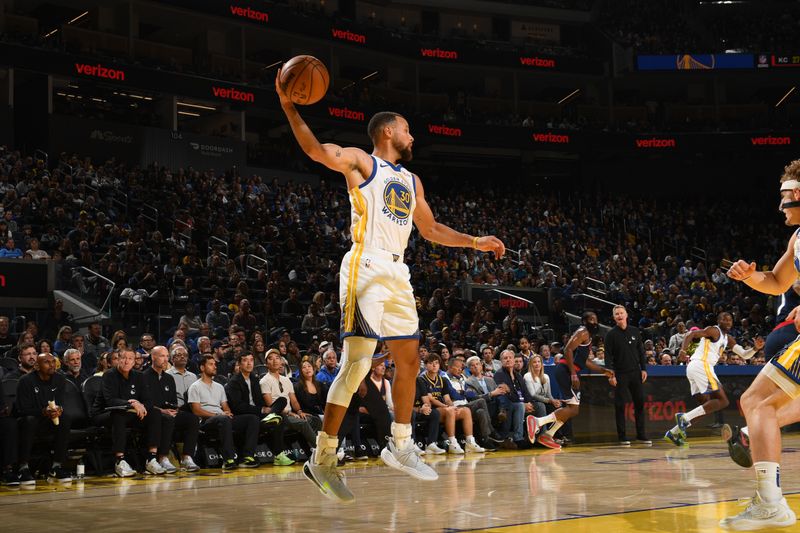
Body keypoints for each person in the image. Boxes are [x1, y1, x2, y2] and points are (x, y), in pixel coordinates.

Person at [276, 71, 505, 502]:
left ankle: (399, 445)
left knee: (411, 358)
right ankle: (322, 457)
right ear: (387, 131)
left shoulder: (412, 180)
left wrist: (475, 240)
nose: (412, 134)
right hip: (366, 264)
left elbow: (431, 228)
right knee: (358, 364)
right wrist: (289, 106)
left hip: (398, 272)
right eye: (406, 128)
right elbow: (315, 150)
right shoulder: (363, 161)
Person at [719, 165, 800, 529]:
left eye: (784, 197)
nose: (780, 205)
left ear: (798, 194)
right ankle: (770, 501)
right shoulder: (797, 240)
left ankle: (771, 504)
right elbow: (779, 280)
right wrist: (750, 276)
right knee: (758, 403)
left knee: (755, 402)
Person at [664, 312, 764, 446]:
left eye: (730, 320)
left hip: (694, 367)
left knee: (706, 407)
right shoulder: (714, 330)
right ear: (718, 321)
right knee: (723, 401)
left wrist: (755, 348)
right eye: (724, 319)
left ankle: (674, 433)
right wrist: (683, 351)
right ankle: (684, 418)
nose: (728, 322)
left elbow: (744, 355)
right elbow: (691, 334)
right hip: (702, 364)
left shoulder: (727, 338)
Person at [527, 312, 615, 448]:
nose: (595, 322)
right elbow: (568, 349)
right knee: (573, 409)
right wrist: (573, 374)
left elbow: (585, 361)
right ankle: (537, 422)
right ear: (584, 321)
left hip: (570, 371)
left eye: (596, 320)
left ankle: (548, 434)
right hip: (566, 371)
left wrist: (603, 370)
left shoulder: (588, 337)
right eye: (591, 319)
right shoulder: (583, 331)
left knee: (571, 409)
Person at [91, 348, 166, 477]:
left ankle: (151, 458)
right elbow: (110, 401)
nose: (127, 361)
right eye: (123, 358)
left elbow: (148, 400)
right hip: (103, 413)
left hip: (128, 414)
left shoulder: (139, 376)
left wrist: (141, 405)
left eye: (130, 358)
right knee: (118, 415)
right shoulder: (109, 375)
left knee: (154, 413)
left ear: (134, 362)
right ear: (118, 360)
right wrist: (132, 403)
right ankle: (120, 460)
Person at [188, 354, 259, 470]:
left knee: (252, 419)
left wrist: (227, 412)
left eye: (215, 364)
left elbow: (225, 406)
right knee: (223, 419)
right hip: (206, 421)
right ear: (202, 368)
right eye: (211, 364)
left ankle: (248, 456)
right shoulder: (195, 387)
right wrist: (218, 414)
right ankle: (229, 459)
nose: (215, 367)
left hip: (222, 418)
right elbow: (196, 411)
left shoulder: (219, 386)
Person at [225, 352, 294, 467]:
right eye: (245, 360)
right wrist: (262, 410)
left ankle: (279, 456)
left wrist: (265, 409)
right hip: (241, 416)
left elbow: (259, 400)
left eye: (251, 360)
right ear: (239, 364)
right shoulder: (234, 382)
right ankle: (247, 456)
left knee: (282, 402)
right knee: (253, 419)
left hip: (257, 414)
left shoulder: (254, 378)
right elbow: (238, 407)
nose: (249, 363)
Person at [15, 353, 73, 484]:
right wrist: (42, 411)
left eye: (53, 362)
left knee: (65, 419)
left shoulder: (60, 379)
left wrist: (59, 410)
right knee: (30, 420)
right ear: (37, 366)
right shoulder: (25, 381)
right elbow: (21, 409)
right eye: (47, 362)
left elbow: (61, 402)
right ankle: (23, 468)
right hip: (29, 420)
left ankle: (56, 466)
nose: (52, 365)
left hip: (48, 420)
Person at [143, 346, 200, 473]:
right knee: (166, 418)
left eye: (167, 356)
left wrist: (174, 410)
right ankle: (163, 457)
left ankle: (187, 457)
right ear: (153, 357)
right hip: (152, 413)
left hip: (168, 412)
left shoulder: (169, 378)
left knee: (192, 419)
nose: (165, 359)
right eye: (162, 356)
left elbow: (172, 401)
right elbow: (145, 402)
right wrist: (163, 411)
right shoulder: (144, 377)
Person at [602, 306, 651, 446]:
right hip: (620, 374)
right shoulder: (610, 334)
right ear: (614, 317)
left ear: (626, 314)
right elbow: (608, 357)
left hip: (636, 373)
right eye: (616, 314)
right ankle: (622, 436)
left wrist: (644, 369)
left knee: (640, 403)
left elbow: (641, 352)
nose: (619, 315)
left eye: (621, 313)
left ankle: (641, 435)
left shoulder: (635, 331)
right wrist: (611, 375)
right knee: (620, 405)